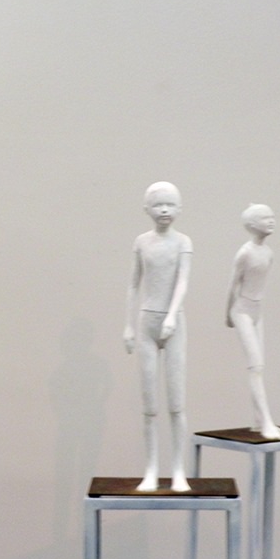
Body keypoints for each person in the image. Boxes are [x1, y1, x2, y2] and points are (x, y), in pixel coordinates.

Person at [124, 181, 192, 492]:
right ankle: (151, 469)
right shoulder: (142, 242)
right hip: (147, 324)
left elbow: (183, 282)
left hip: (173, 325)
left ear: (180, 208)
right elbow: (133, 285)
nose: (164, 210)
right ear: (147, 209)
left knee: (176, 404)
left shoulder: (183, 242)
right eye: (158, 205)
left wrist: (172, 315)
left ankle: (178, 469)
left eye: (170, 204)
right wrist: (128, 325)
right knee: (149, 406)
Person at [226, 203, 280, 440]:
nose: (271, 221)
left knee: (260, 365)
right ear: (251, 225)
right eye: (265, 218)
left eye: (272, 217)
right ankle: (267, 421)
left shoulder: (268, 253)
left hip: (257, 311)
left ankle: (258, 421)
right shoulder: (245, 253)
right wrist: (227, 314)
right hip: (241, 311)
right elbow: (233, 285)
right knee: (256, 366)